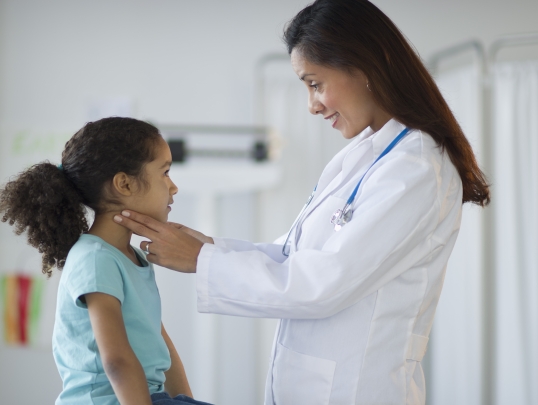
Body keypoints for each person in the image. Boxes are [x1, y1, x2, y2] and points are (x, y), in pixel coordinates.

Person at [114, 1, 490, 404]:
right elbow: (295, 254)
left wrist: (202, 262)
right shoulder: (365, 154)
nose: (312, 105)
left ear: (364, 66)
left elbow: (325, 282)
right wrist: (207, 248)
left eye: (315, 83)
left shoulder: (415, 168)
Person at [0, 117, 212, 405]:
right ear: (124, 183)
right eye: (165, 172)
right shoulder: (96, 258)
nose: (173, 187)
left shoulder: (132, 257)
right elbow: (117, 361)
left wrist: (187, 400)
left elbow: (160, 341)